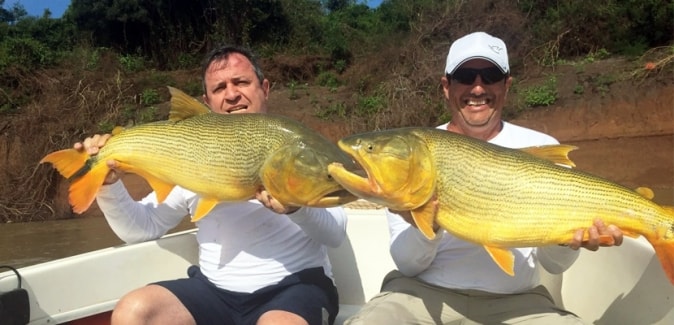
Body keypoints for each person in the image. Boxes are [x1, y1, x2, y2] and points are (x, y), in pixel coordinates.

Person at [345, 32, 625, 324]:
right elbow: (409, 266)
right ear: (446, 86)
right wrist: (425, 224)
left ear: (506, 85)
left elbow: (553, 266)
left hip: (519, 302)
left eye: (489, 75)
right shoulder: (414, 151)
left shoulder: (542, 145)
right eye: (466, 76)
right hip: (422, 295)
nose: (477, 88)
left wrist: (568, 242)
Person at [75, 45, 344, 325]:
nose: (232, 95)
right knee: (134, 311)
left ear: (264, 87)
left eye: (241, 82)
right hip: (214, 292)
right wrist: (108, 185)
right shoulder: (192, 157)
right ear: (207, 101)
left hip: (294, 289)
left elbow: (336, 233)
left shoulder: (295, 144)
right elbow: (142, 228)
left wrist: (294, 207)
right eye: (219, 88)